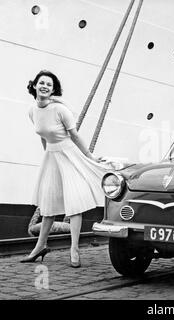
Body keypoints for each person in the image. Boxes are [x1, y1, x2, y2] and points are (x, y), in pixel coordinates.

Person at [20, 70, 109, 267]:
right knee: (48, 204)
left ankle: (74, 249)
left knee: (74, 203)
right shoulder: (32, 110)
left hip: (69, 156)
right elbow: (43, 136)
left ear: (53, 90)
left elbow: (75, 137)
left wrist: (90, 157)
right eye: (41, 83)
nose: (44, 86)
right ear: (34, 86)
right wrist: (46, 156)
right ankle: (40, 246)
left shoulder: (60, 110)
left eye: (49, 85)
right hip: (51, 157)